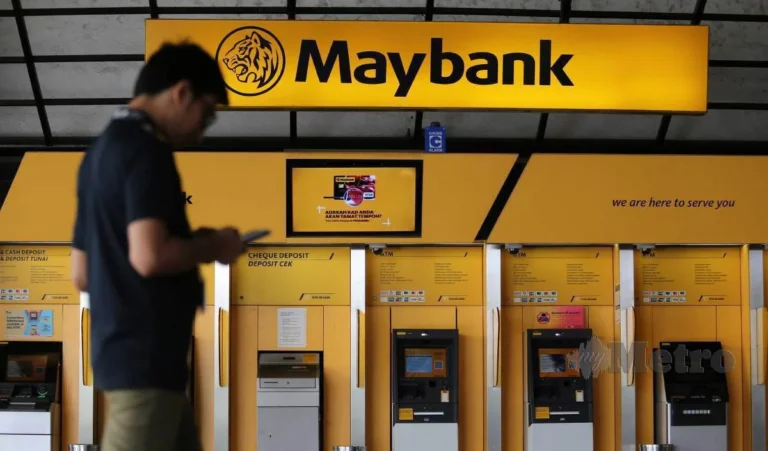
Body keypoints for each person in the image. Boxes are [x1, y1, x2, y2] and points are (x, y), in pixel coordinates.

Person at [70, 42, 246, 451]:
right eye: (207, 113)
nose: (203, 130)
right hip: (147, 358)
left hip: (127, 355)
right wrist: (214, 246)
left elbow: (81, 273)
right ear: (181, 92)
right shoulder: (147, 150)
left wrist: (188, 244)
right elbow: (149, 257)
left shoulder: (98, 154)